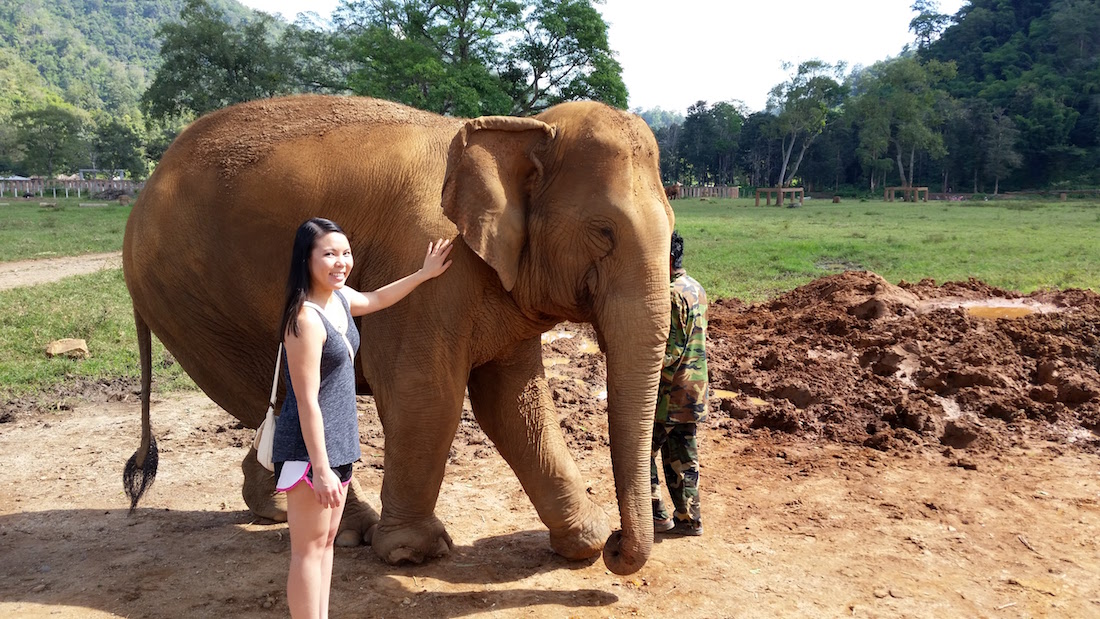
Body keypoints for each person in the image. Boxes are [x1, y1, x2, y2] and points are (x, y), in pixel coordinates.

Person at [274, 217, 452, 619]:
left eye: (345, 253)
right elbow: (306, 402)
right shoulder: (304, 321)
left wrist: (422, 275)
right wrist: (320, 470)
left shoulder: (337, 299)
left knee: (326, 544)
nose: (341, 262)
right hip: (309, 453)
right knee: (306, 550)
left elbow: (374, 300)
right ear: (306, 259)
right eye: (329, 254)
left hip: (337, 445)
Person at [652, 230, 709, 537]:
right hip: (694, 391)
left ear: (668, 258)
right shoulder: (697, 288)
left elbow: (670, 351)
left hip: (671, 394)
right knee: (683, 458)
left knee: (640, 455)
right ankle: (690, 520)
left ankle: (657, 515)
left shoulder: (672, 294)